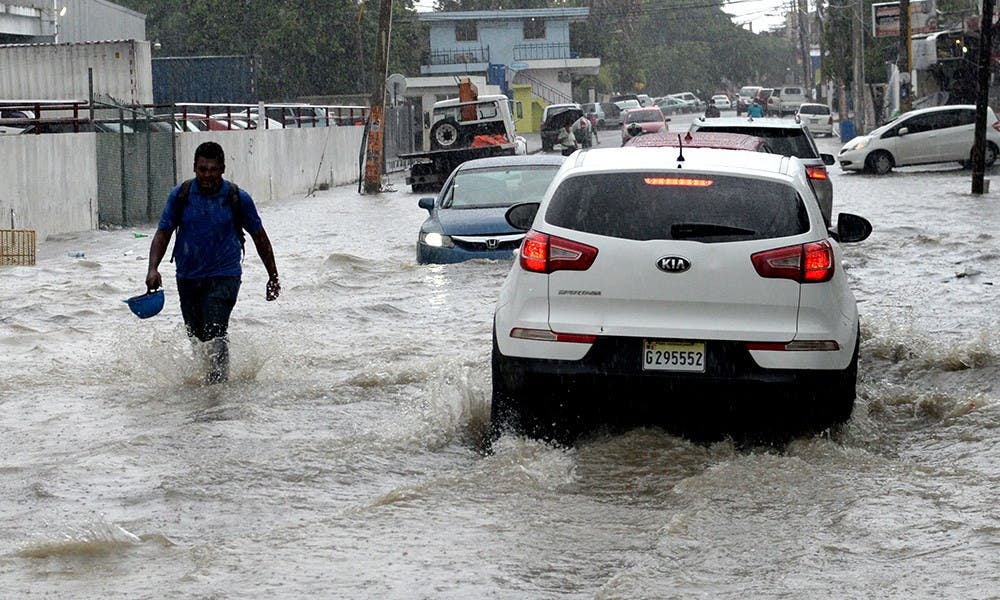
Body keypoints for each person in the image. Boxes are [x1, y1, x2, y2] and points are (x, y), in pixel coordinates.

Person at [145, 141, 280, 384]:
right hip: (187, 277)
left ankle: (217, 389)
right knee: (197, 337)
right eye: (203, 169)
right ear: (194, 168)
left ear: (223, 169)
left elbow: (260, 237)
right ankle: (207, 383)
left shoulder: (237, 198)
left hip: (225, 276)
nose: (208, 175)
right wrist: (153, 268)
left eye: (213, 170)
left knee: (215, 332)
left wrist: (273, 276)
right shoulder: (181, 195)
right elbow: (163, 233)